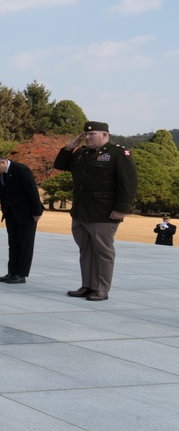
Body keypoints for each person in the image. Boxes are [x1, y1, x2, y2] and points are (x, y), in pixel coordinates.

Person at [53, 122, 138, 301]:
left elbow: (128, 183)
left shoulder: (118, 153)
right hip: (81, 211)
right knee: (86, 250)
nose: (88, 137)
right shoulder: (82, 153)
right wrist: (69, 148)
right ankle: (87, 285)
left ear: (105, 135)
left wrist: (121, 209)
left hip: (104, 212)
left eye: (92, 134)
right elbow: (60, 165)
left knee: (103, 251)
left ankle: (101, 289)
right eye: (86, 135)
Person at [0, 153, 44, 284]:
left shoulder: (21, 170)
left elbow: (32, 191)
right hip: (11, 212)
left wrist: (37, 211)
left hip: (26, 212)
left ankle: (21, 274)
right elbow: (2, 192)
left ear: (3, 162)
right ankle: (12, 271)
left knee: (25, 243)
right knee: (13, 243)